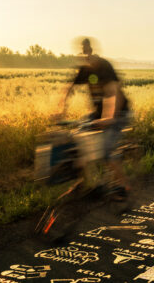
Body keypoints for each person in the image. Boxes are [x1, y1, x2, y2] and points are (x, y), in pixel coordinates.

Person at [59, 38, 132, 199]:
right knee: (77, 141)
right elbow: (69, 89)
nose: (85, 56)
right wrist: (60, 111)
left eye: (87, 52)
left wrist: (109, 118)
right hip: (98, 114)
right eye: (82, 53)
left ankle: (123, 185)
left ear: (92, 51)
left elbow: (114, 93)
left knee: (106, 151)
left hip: (119, 113)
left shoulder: (104, 67)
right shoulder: (85, 69)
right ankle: (88, 183)